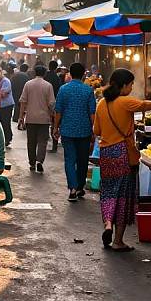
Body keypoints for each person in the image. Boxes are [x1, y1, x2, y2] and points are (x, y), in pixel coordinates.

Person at [94, 68, 151, 252]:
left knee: (108, 191)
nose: (131, 87)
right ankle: (118, 241)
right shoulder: (125, 101)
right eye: (130, 84)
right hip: (122, 151)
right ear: (123, 85)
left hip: (106, 152)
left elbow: (97, 131)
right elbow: (144, 105)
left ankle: (107, 224)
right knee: (124, 195)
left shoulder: (101, 104)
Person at [54, 63, 96, 202]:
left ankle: (72, 188)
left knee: (70, 160)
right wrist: (94, 130)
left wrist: (55, 127)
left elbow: (58, 111)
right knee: (83, 160)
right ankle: (79, 187)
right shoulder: (88, 90)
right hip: (84, 130)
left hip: (67, 130)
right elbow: (92, 113)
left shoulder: (63, 89)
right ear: (84, 73)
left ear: (70, 74)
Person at [18, 66, 55, 172]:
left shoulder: (28, 84)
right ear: (44, 74)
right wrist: (52, 116)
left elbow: (23, 102)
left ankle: (32, 163)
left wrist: (21, 117)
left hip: (30, 118)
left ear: (34, 73)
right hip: (44, 119)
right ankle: (39, 161)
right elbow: (51, 103)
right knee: (42, 142)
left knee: (31, 142)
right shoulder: (48, 85)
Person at [0, 67, 15, 147]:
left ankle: (8, 138)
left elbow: (3, 94)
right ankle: (4, 138)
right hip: (0, 105)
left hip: (7, 105)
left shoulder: (6, 81)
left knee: (6, 122)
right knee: (1, 122)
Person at [45, 60, 62, 153]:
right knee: (54, 124)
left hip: (44, 102)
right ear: (56, 68)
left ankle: (43, 140)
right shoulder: (57, 78)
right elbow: (59, 91)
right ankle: (54, 145)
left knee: (45, 123)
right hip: (54, 102)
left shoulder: (45, 76)